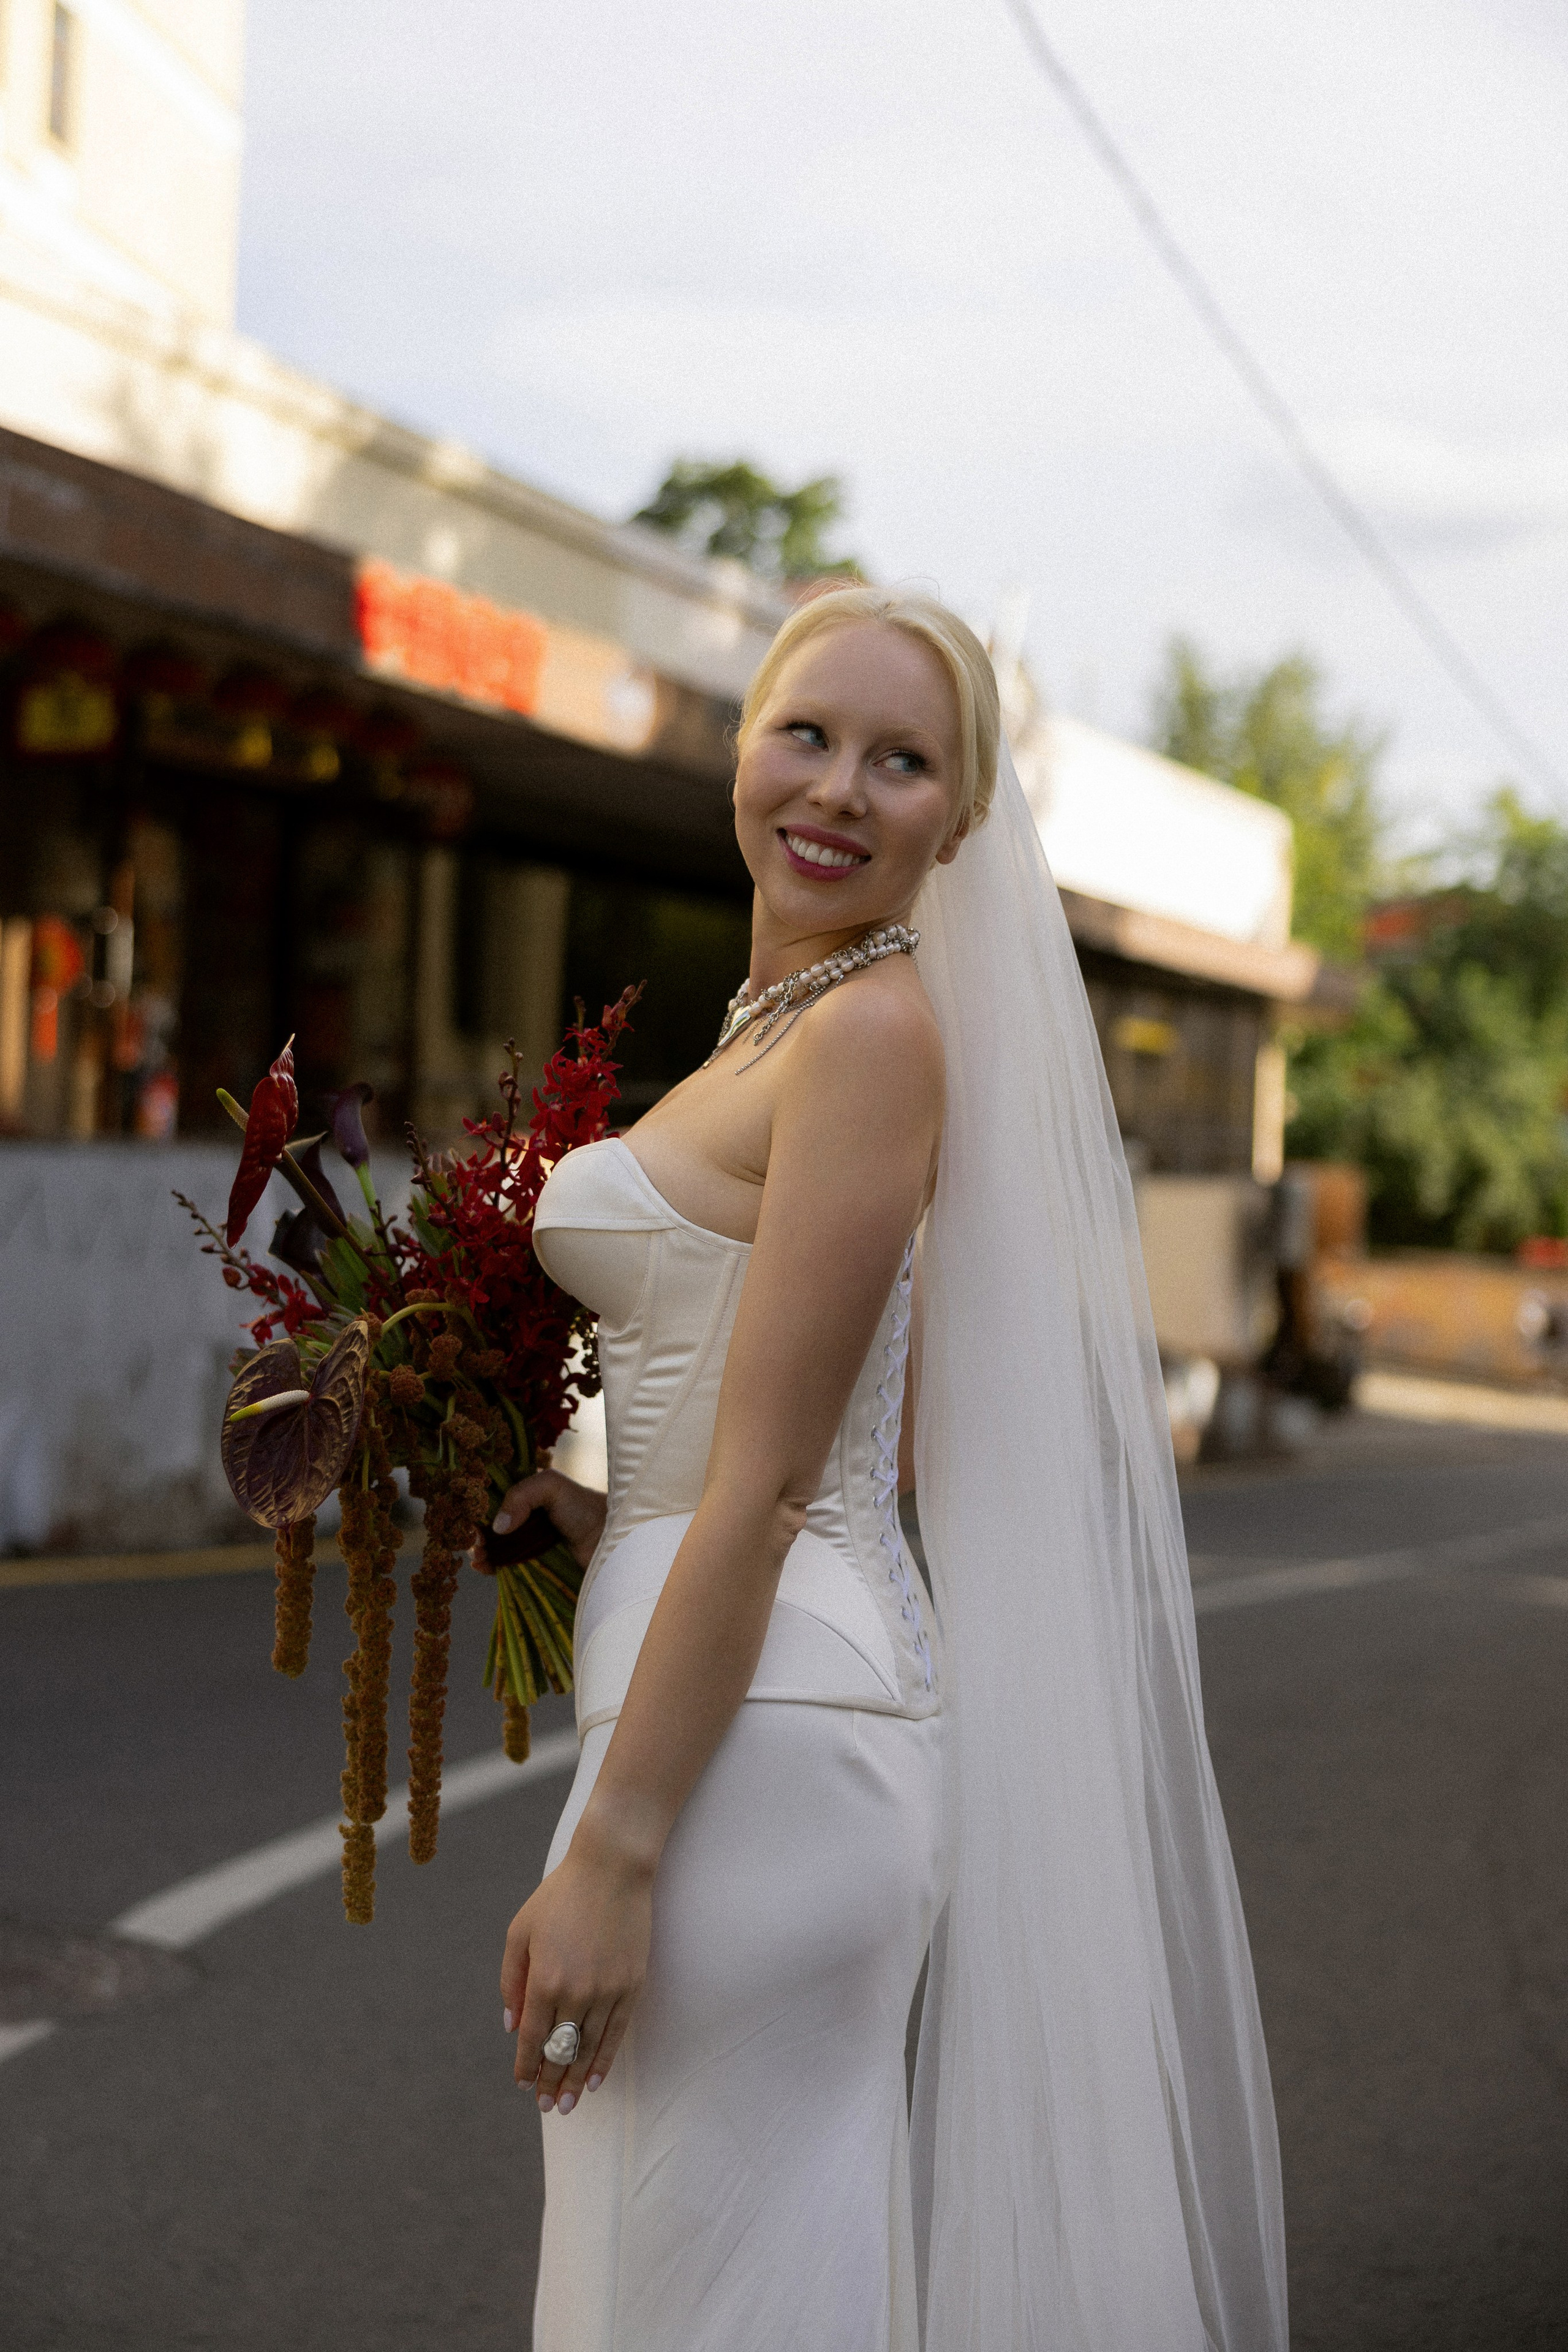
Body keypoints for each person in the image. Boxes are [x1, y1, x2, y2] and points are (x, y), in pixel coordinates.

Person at [484, 586, 1289, 2351]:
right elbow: (765, 1422)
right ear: (741, 755)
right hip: (736, 1689)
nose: (841, 788)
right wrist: (587, 1501)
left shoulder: (869, 1036)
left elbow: (782, 1483)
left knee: (710, 2283)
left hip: (767, 1737)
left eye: (904, 760)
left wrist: (618, 1848)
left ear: (962, 818)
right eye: (809, 734)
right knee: (685, 2263)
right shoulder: (778, 1023)